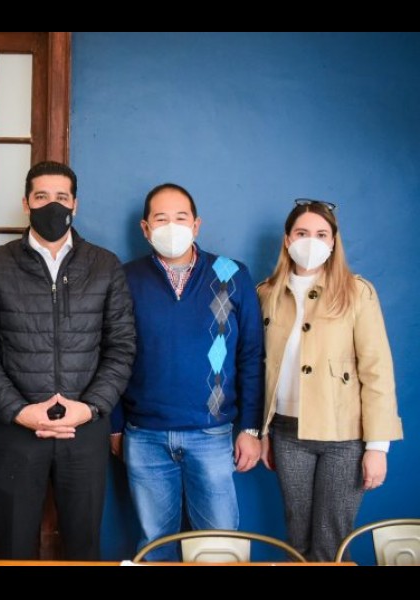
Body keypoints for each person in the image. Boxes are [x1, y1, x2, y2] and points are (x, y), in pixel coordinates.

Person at [0, 160, 136, 560]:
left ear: (75, 203)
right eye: (41, 196)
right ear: (26, 203)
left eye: (61, 196)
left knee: (83, 547)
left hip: (84, 429)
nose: (52, 205)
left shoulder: (104, 265)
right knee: (13, 547)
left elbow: (122, 346)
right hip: (17, 429)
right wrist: (18, 410)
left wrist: (89, 408)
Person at [111, 183, 264, 561]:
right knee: (154, 544)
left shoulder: (232, 274)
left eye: (180, 218)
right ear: (145, 228)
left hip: (212, 433)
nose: (171, 226)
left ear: (196, 225)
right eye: (161, 218)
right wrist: (114, 426)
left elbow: (251, 356)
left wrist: (250, 428)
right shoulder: (125, 279)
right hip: (144, 436)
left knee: (220, 545)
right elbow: (111, 355)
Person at [257, 199, 403, 562]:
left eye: (321, 234)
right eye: (302, 233)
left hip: (344, 437)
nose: (311, 241)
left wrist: (378, 447)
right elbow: (258, 368)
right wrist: (261, 432)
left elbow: (377, 370)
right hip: (287, 434)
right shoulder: (266, 294)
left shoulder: (357, 292)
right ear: (287, 239)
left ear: (334, 241)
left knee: (330, 543)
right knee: (297, 541)